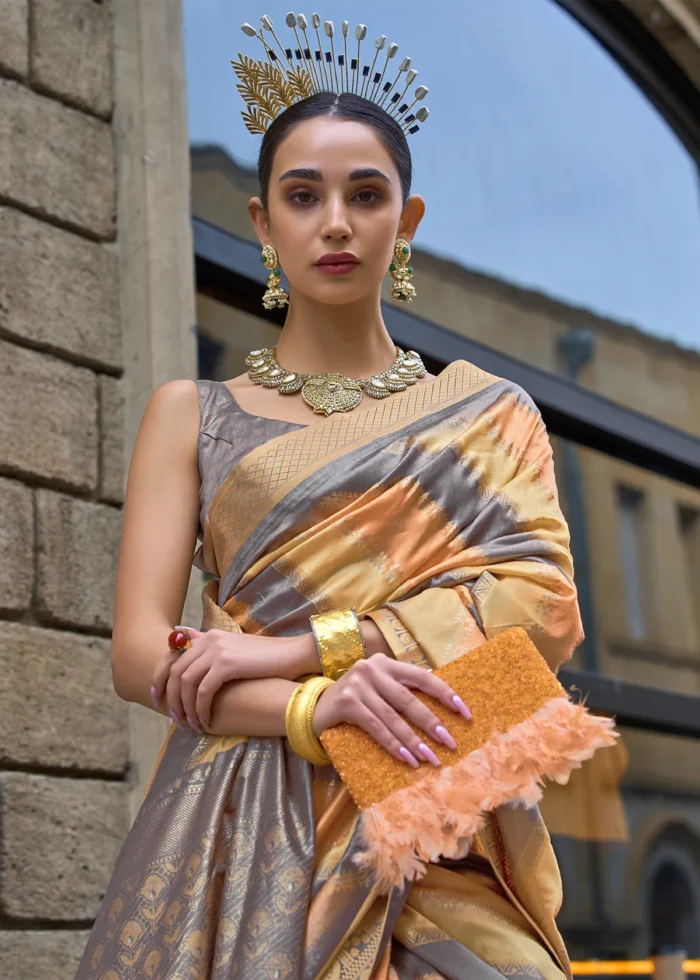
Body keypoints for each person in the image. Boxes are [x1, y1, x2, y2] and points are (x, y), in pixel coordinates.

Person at [76, 14, 584, 980]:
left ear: (409, 220)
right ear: (263, 222)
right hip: (244, 826)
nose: (337, 222)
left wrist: (305, 646)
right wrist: (317, 704)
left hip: (433, 806)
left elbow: (545, 615)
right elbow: (139, 653)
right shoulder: (194, 414)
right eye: (303, 196)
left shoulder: (487, 414)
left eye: (366, 194)